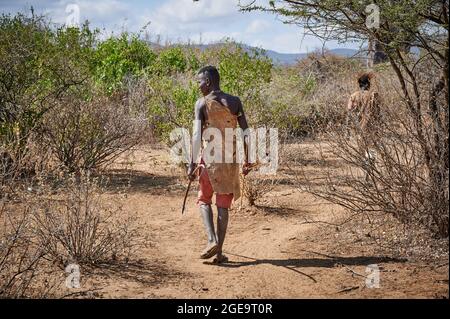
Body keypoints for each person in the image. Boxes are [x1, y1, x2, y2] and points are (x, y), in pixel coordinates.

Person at [187, 65, 250, 264]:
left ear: (208, 81)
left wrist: (191, 163)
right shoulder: (235, 101)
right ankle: (219, 252)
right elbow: (246, 132)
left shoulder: (201, 104)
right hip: (230, 161)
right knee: (223, 205)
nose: (198, 86)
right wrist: (248, 159)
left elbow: (197, 136)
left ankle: (211, 239)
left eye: (199, 82)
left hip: (210, 161)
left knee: (204, 200)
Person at [347, 72, 381, 182]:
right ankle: (367, 176)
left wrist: (348, 130)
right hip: (372, 127)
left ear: (359, 84)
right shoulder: (374, 95)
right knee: (371, 152)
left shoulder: (353, 96)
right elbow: (379, 113)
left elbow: (349, 111)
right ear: (369, 84)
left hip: (359, 128)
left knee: (364, 152)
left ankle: (366, 176)